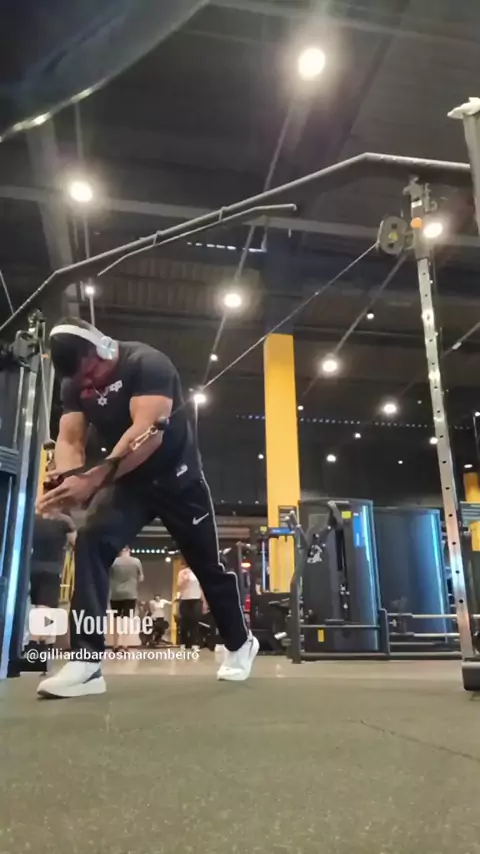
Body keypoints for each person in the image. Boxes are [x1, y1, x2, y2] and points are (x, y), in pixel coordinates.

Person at [36, 318, 258, 698]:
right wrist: (69, 480)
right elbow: (70, 439)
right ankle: (86, 664)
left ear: (104, 348)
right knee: (91, 541)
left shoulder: (147, 364)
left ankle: (241, 642)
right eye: (82, 381)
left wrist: (92, 480)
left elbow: (146, 437)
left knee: (207, 567)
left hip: (179, 481)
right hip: (129, 484)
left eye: (92, 373)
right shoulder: (75, 382)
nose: (89, 384)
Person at [29, 509, 76, 643]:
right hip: (52, 569)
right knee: (45, 604)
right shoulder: (64, 521)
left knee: (37, 604)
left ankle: (41, 639)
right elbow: (75, 542)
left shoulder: (33, 519)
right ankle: (36, 640)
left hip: (33, 567)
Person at [109, 546, 144, 651]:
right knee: (127, 619)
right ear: (129, 550)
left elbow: (109, 576)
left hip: (115, 594)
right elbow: (141, 578)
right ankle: (125, 644)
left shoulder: (113, 562)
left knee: (116, 619)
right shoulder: (136, 561)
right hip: (130, 594)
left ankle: (115, 644)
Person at [177, 564, 203, 651]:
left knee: (195, 621)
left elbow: (202, 587)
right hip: (185, 599)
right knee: (184, 622)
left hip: (196, 598)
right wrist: (186, 579)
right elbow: (179, 586)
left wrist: (204, 602)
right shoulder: (182, 572)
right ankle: (183, 643)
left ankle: (195, 644)